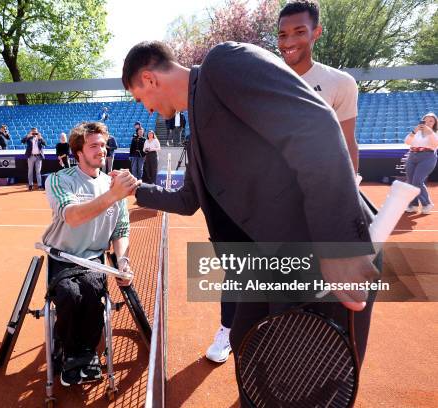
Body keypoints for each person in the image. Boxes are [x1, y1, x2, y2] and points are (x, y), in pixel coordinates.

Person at [121, 41, 378, 403]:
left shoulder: (222, 63)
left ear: (148, 79)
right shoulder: (195, 139)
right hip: (269, 265)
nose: (146, 110)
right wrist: (136, 189)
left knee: (308, 387)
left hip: (319, 253)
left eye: (139, 98)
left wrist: (339, 245)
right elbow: (187, 200)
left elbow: (316, 125)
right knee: (248, 345)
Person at [42, 121, 137, 386]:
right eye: (94, 145)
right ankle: (71, 353)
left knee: (94, 294)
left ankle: (86, 354)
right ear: (78, 152)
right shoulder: (59, 180)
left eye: (104, 145)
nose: (101, 150)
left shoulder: (113, 184)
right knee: (71, 295)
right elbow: (72, 217)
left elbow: (121, 230)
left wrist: (124, 262)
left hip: (93, 260)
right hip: (62, 257)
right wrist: (114, 195)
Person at [278, 0, 359, 172]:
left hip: (320, 184)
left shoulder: (341, 82)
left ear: (316, 32)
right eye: (282, 35)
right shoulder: (264, 79)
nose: (288, 42)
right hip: (272, 186)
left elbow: (348, 142)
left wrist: (350, 189)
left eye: (299, 32)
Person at [404, 113, 438, 214]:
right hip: (412, 155)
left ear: (435, 123)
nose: (427, 122)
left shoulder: (435, 133)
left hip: (427, 157)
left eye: (431, 121)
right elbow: (407, 141)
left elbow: (435, 144)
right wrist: (414, 131)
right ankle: (413, 205)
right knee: (410, 181)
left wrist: (430, 132)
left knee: (417, 181)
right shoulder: (417, 132)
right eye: (425, 120)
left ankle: (427, 204)